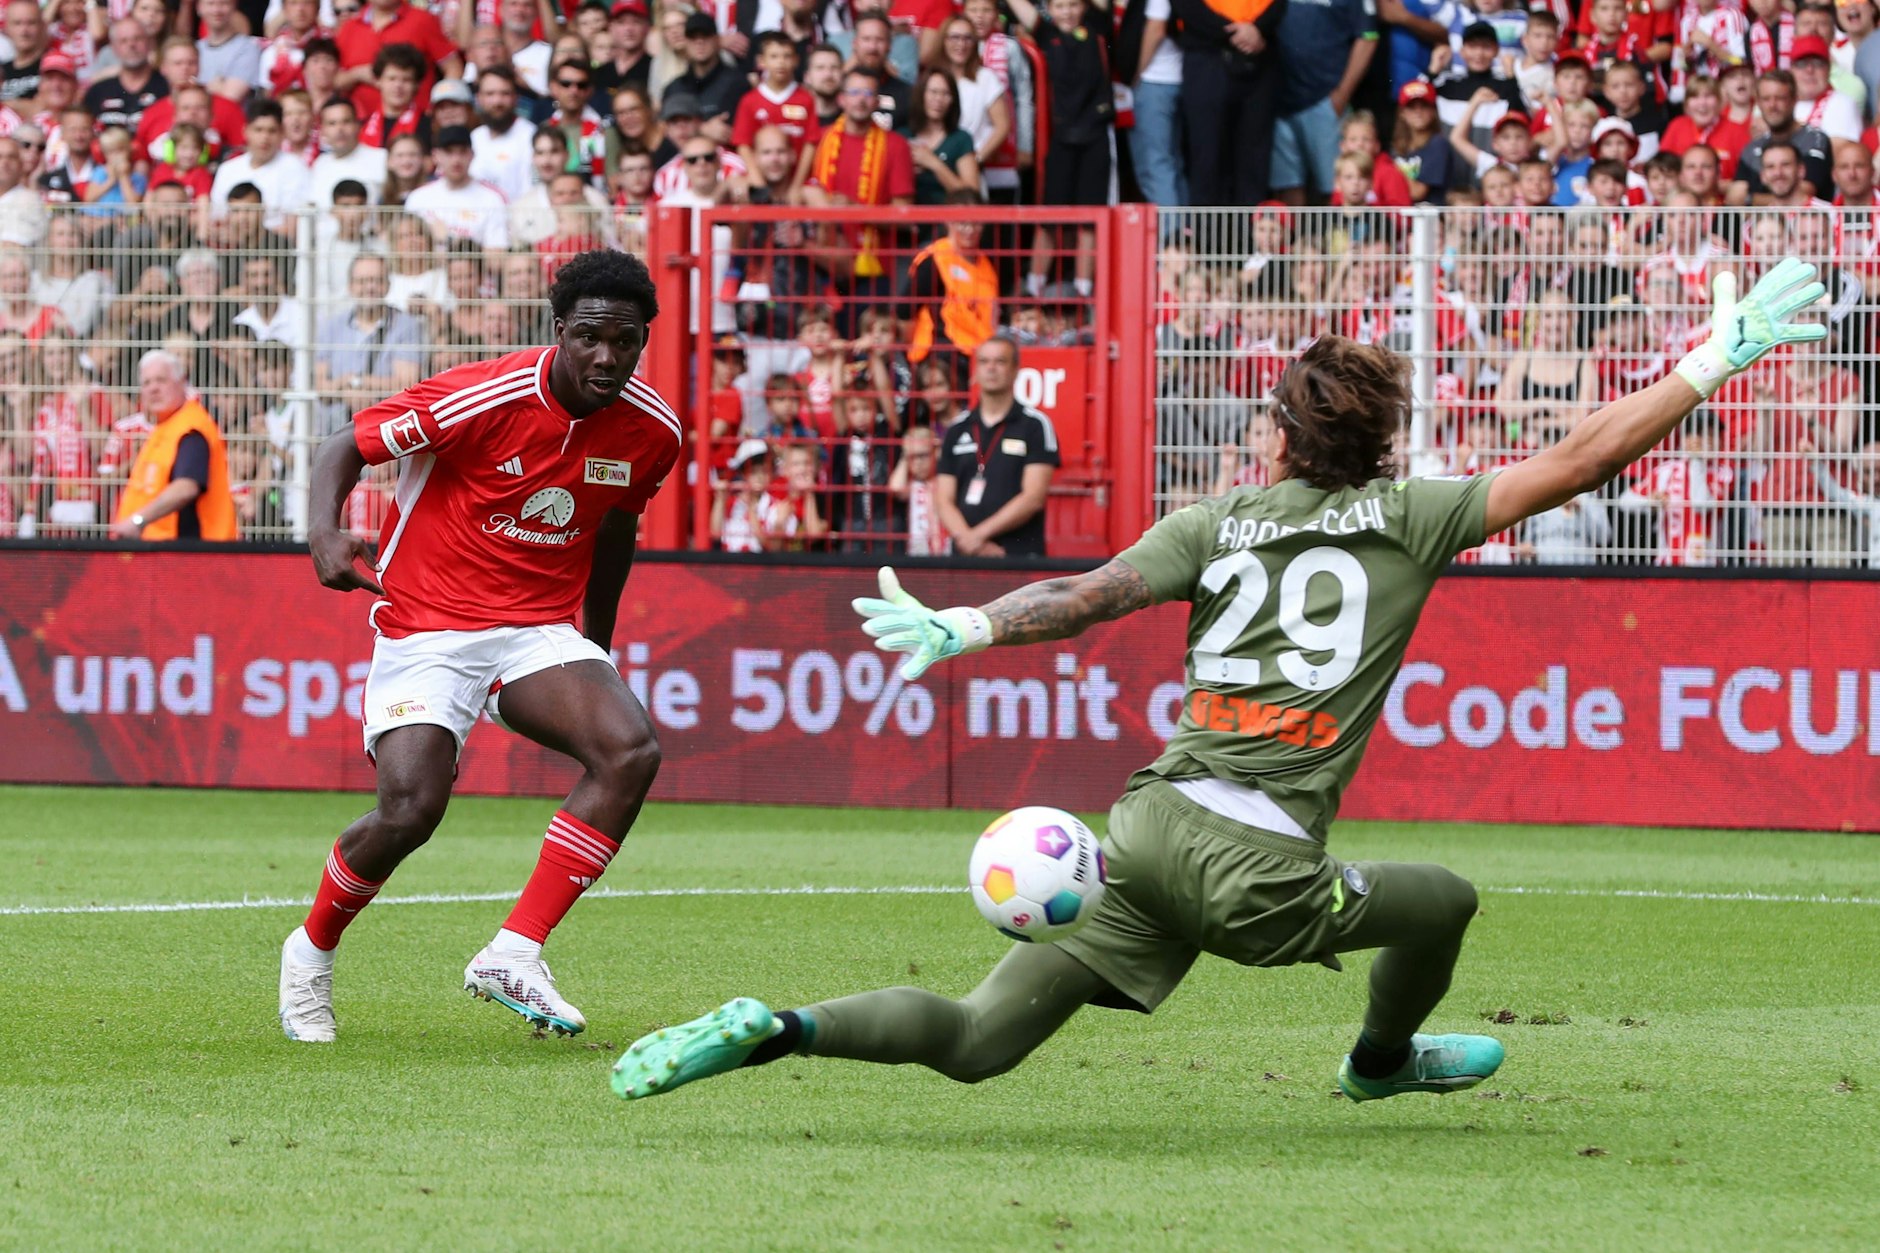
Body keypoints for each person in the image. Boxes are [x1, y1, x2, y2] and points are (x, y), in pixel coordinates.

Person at [608, 260, 1832, 1107]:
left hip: (1143, 828)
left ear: (1285, 441)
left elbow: (1076, 599)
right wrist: (1710, 357)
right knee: (1446, 896)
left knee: (981, 1037)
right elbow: (1573, 460)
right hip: (1254, 866)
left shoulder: (1213, 523)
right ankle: (1378, 1060)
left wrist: (968, 625)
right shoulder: (1415, 515)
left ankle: (782, 1025)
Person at [277, 250, 684, 1043]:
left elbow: (615, 529)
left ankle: (515, 950)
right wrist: (325, 533)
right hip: (427, 623)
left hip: (536, 630)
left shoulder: (653, 428)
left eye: (626, 341)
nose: (608, 357)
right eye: (592, 337)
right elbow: (343, 444)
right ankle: (312, 949)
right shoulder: (483, 394)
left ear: (643, 340)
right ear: (560, 330)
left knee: (629, 749)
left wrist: (594, 648)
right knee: (412, 807)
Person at [933, 337, 1058, 558]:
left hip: (1015, 555)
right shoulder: (957, 428)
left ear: (1015, 370)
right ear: (975, 370)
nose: (991, 368)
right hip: (964, 556)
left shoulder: (1035, 425)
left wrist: (978, 536)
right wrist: (969, 541)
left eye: (1000, 361)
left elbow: (1033, 497)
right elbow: (943, 499)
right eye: (984, 361)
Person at [108, 349, 240, 542]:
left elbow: (186, 487)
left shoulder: (191, 428)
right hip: (160, 552)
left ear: (182, 383)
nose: (153, 388)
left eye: (161, 380)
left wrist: (137, 521)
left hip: (189, 555)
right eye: (147, 383)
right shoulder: (166, 428)